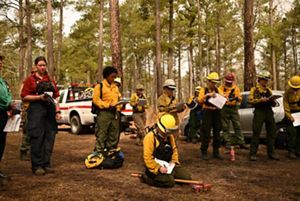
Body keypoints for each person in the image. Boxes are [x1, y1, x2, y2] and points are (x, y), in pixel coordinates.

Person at [21, 56, 61, 175]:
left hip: (49, 112)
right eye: (40, 65)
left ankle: (46, 164)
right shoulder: (30, 80)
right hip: (36, 111)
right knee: (37, 138)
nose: (42, 67)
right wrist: (39, 97)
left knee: (49, 137)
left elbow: (56, 97)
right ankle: (37, 166)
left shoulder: (50, 80)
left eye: (44, 65)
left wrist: (57, 111)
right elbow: (24, 96)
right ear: (36, 66)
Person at [142, 114, 191, 188]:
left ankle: (169, 175)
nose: (169, 133)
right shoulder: (150, 137)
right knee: (169, 182)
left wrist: (174, 161)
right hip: (155, 168)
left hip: (168, 166)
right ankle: (148, 178)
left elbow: (174, 150)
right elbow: (147, 158)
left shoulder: (170, 137)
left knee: (186, 177)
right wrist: (158, 168)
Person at [248, 70, 279, 161]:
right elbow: (250, 101)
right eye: (264, 79)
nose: (266, 81)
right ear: (259, 79)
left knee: (271, 132)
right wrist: (260, 100)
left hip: (269, 112)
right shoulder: (254, 89)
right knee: (256, 132)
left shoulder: (268, 90)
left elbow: (274, 103)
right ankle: (253, 154)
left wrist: (272, 100)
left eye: (267, 80)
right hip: (259, 112)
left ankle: (271, 153)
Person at [92, 66, 121, 156]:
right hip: (104, 113)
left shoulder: (115, 87)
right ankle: (99, 152)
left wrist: (120, 106)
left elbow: (118, 98)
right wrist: (107, 105)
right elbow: (96, 100)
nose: (113, 79)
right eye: (112, 77)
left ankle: (111, 150)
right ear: (106, 76)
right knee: (102, 133)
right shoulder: (99, 86)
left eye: (115, 77)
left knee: (114, 132)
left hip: (114, 113)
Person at [219, 72, 248, 150]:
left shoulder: (236, 88)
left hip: (234, 108)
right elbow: (219, 96)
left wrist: (238, 98)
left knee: (237, 126)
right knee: (225, 127)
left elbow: (240, 98)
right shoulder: (221, 88)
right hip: (225, 108)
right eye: (227, 82)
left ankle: (241, 142)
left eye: (230, 82)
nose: (228, 83)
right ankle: (227, 142)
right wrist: (224, 97)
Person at [198, 72, 223, 160]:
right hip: (207, 112)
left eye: (215, 82)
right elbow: (199, 101)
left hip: (216, 113)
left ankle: (216, 152)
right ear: (208, 81)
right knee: (206, 133)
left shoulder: (218, 90)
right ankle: (203, 151)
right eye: (212, 82)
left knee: (217, 133)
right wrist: (208, 95)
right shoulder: (203, 90)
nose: (214, 84)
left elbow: (222, 100)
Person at [0, 55, 15, 185]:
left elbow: (8, 95)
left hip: (3, 114)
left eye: (1, 62)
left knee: (1, 144)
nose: (0, 64)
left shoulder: (2, 81)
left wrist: (11, 104)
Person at [20, 66, 38, 161]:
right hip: (27, 110)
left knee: (35, 132)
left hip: (37, 111)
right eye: (33, 72)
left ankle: (32, 151)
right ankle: (24, 150)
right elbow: (23, 96)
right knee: (27, 132)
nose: (34, 73)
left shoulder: (39, 83)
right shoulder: (26, 83)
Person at [283, 75, 300, 159]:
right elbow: (286, 106)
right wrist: (289, 116)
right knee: (292, 134)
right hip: (292, 114)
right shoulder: (287, 93)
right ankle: (291, 152)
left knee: (299, 134)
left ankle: (298, 151)